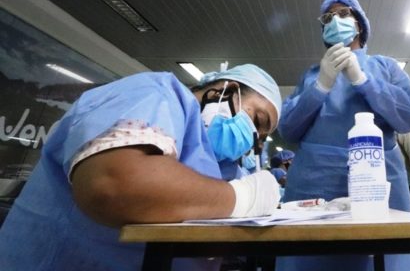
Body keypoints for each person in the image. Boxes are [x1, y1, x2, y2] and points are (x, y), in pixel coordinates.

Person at [0, 64, 283, 271]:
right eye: (256, 119)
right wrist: (243, 198)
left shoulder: (218, 163)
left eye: (262, 135)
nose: (254, 137)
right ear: (224, 89)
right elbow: (115, 186)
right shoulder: (154, 94)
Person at [276, 0, 410, 271]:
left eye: (343, 14)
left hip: (378, 179)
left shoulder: (385, 67)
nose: (335, 20)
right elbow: (287, 129)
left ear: (359, 24)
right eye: (328, 18)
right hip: (314, 181)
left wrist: (363, 80)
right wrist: (321, 85)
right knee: (311, 257)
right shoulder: (312, 75)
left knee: (386, 256)